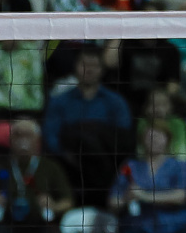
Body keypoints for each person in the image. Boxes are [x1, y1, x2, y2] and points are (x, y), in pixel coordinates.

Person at [43, 47, 132, 205]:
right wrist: (69, 157)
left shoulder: (116, 103)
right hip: (69, 167)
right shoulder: (59, 102)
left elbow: (124, 138)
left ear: (102, 70)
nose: (89, 70)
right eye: (84, 64)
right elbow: (51, 137)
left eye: (94, 65)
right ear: (75, 67)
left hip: (107, 170)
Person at [0, 40, 46, 121]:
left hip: (26, 110)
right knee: (2, 128)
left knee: (25, 128)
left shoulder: (31, 50)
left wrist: (36, 114)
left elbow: (36, 85)